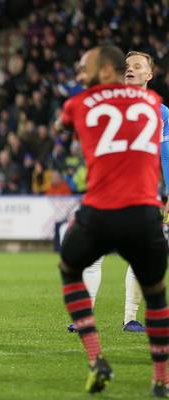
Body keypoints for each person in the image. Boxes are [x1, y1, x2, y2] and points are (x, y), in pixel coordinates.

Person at [57, 45, 169, 397]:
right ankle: (162, 379)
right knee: (157, 293)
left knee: (69, 267)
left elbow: (67, 129)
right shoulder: (155, 106)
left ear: (103, 70)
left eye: (84, 67)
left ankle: (96, 356)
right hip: (144, 210)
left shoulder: (79, 104)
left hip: (101, 209)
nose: (79, 74)